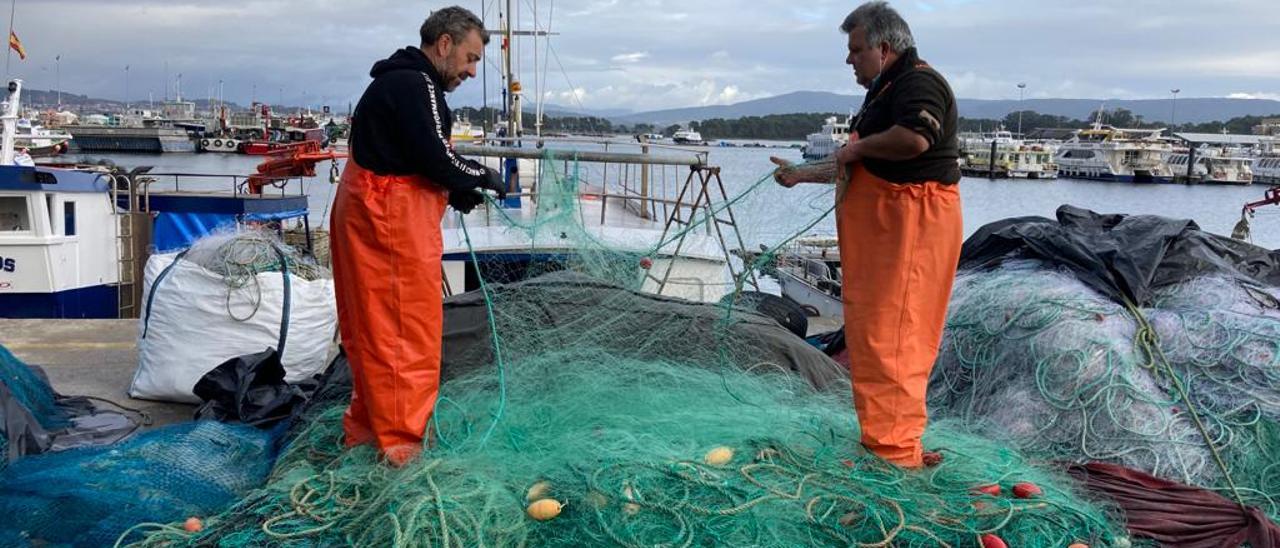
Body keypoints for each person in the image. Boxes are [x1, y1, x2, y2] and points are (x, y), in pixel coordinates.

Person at [771, 1, 963, 469]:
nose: (849, 59)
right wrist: (801, 173)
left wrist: (848, 150)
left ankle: (894, 455)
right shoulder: (887, 89)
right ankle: (896, 441)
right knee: (878, 338)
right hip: (884, 235)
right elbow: (860, 161)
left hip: (911, 229)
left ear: (883, 46)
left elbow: (914, 139)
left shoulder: (920, 83)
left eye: (856, 50)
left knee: (895, 339)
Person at [331, 5, 507, 467]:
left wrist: (453, 192)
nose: (471, 71)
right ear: (444, 44)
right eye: (470, 58)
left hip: (374, 214)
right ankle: (402, 448)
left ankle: (368, 431)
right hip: (387, 221)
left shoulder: (401, 81)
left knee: (372, 329)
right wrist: (483, 176)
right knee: (404, 333)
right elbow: (435, 156)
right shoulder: (416, 83)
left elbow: (406, 155)